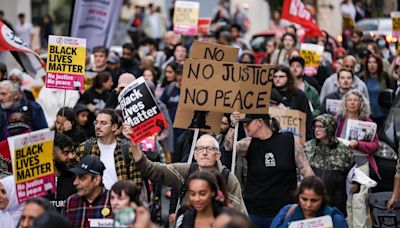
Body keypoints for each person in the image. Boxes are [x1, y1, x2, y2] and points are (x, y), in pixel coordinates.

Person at [225, 113, 314, 228]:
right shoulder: (249, 144)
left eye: (248, 123)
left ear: (260, 122)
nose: (245, 126)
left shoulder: (288, 140)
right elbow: (228, 147)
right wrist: (232, 125)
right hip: (255, 212)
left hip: (285, 212)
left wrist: (311, 195)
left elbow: (306, 170)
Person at [131, 134, 247, 214]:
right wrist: (134, 144)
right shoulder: (185, 171)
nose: (204, 153)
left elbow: (239, 214)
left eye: (210, 149)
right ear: (195, 154)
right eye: (200, 149)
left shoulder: (228, 179)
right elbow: (151, 169)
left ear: (218, 155)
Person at [336, 89, 379, 228]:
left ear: (361, 104)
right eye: (350, 100)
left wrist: (358, 144)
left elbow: (375, 146)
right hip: (343, 165)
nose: (352, 103)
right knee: (348, 201)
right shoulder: (338, 120)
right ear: (345, 103)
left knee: (359, 200)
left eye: (356, 100)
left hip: (361, 165)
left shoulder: (367, 121)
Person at [75, 109, 142, 190]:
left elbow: (136, 182)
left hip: (119, 200)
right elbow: (75, 178)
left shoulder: (127, 149)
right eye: (96, 122)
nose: (98, 126)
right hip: (93, 200)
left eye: (103, 123)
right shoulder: (84, 148)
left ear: (114, 127)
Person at [303, 114, 353, 214]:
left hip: (335, 202)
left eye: (321, 127)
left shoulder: (344, 150)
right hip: (311, 201)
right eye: (315, 127)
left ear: (329, 128)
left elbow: (351, 174)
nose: (317, 130)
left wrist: (355, 184)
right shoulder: (307, 147)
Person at [270, 176, 348, 228]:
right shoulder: (288, 212)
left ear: (323, 198)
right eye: (304, 199)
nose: (308, 205)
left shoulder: (335, 219)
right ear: (298, 197)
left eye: (314, 200)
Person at [62, 155, 112, 228]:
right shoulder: (71, 202)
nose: (75, 182)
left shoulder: (113, 200)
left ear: (96, 180)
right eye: (76, 177)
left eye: (82, 178)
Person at [271, 65, 313, 140]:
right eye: (275, 76)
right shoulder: (268, 95)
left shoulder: (299, 95)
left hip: (295, 138)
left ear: (288, 78)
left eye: (281, 76)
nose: (277, 79)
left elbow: (307, 119)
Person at [45, 133, 77, 211]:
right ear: (52, 154)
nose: (71, 156)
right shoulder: (38, 182)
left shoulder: (77, 179)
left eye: (72, 152)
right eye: (66, 153)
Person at [360, 54, 393, 128]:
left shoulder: (385, 76)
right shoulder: (362, 77)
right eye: (369, 62)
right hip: (367, 115)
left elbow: (391, 92)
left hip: (383, 115)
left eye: (374, 62)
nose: (372, 65)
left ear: (379, 64)